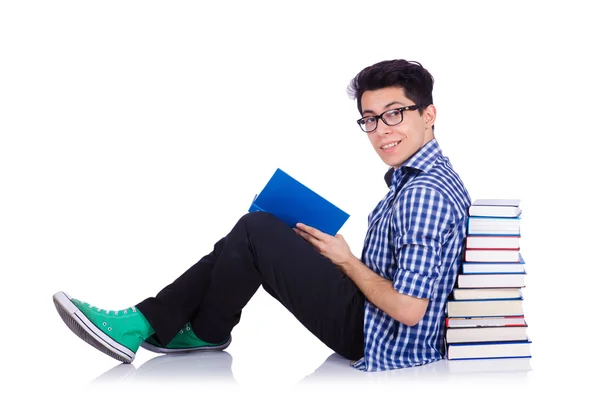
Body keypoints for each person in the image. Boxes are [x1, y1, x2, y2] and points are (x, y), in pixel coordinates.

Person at [53, 59, 471, 372]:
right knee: (259, 227)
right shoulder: (426, 179)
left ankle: (155, 324)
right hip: (373, 318)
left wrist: (346, 261)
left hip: (378, 336)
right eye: (371, 119)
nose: (382, 130)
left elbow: (409, 309)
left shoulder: (423, 193)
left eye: (394, 113)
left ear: (428, 115)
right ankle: (185, 328)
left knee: (256, 228)